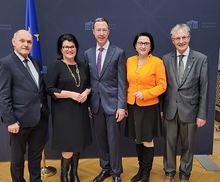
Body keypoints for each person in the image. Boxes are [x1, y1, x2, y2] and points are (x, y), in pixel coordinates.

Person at [0, 29, 50, 182]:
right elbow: (3, 95)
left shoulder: (35, 62)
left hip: (39, 119)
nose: (26, 44)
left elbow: (39, 89)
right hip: (18, 122)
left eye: (29, 41)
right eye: (22, 41)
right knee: (17, 159)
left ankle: (36, 180)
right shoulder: (6, 63)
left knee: (35, 156)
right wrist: (10, 121)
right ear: (14, 42)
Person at [162, 24, 208, 182]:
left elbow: (204, 89)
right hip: (170, 110)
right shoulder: (166, 59)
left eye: (184, 37)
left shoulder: (201, 59)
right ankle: (169, 173)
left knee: (188, 146)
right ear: (172, 40)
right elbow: (163, 87)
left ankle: (184, 175)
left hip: (190, 111)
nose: (181, 41)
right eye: (177, 38)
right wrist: (161, 109)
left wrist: (202, 114)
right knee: (169, 145)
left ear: (189, 38)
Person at [84, 17, 127, 182]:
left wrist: (121, 106)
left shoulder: (119, 52)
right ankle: (106, 169)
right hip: (95, 104)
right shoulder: (87, 54)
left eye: (104, 30)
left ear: (109, 31)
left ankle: (116, 173)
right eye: (98, 30)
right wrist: (89, 104)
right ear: (93, 32)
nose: (101, 33)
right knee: (101, 140)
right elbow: (88, 81)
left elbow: (122, 82)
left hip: (113, 105)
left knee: (113, 141)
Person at [45, 33, 92, 182]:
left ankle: (74, 174)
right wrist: (71, 94)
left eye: (72, 46)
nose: (69, 49)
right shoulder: (56, 65)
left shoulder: (82, 65)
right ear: (61, 49)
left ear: (76, 48)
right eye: (66, 47)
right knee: (68, 145)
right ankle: (64, 175)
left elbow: (89, 85)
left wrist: (86, 92)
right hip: (64, 113)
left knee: (77, 143)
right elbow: (49, 89)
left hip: (80, 110)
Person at [125, 32, 167, 182]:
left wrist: (146, 94)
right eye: (140, 43)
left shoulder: (157, 62)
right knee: (138, 139)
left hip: (149, 106)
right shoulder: (129, 61)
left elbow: (162, 86)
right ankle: (140, 169)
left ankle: (146, 174)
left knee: (147, 140)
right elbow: (126, 84)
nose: (143, 46)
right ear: (135, 45)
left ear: (151, 46)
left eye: (146, 43)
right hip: (133, 106)